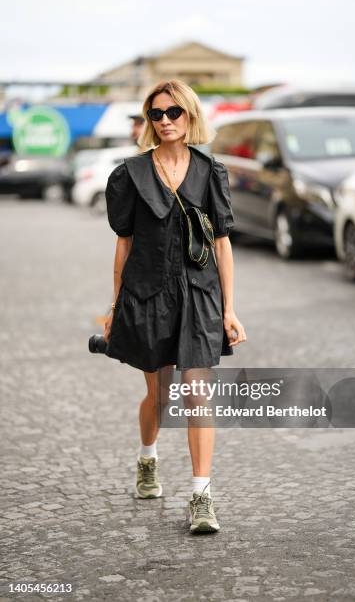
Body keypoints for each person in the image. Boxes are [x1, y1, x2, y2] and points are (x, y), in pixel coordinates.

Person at [103, 79, 246, 534]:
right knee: (159, 396)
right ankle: (148, 459)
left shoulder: (211, 172)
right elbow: (124, 244)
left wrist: (229, 309)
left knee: (196, 394)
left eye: (173, 112)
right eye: (156, 114)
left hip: (199, 295)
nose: (165, 121)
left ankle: (201, 496)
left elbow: (222, 245)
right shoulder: (130, 174)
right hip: (146, 293)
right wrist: (114, 306)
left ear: (189, 115)